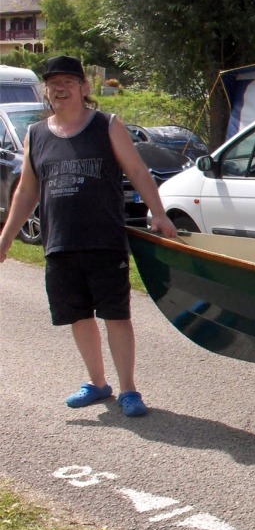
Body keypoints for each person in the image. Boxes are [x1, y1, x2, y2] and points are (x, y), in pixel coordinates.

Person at [0, 55, 177, 417]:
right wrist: (5, 239)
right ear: (46, 91)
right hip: (59, 243)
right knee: (78, 316)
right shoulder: (36, 134)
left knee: (116, 315)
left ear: (84, 87)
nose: (60, 89)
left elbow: (137, 171)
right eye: (53, 84)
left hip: (104, 240)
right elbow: (27, 191)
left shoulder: (107, 125)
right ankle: (97, 383)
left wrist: (158, 213)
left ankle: (129, 390)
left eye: (68, 82)